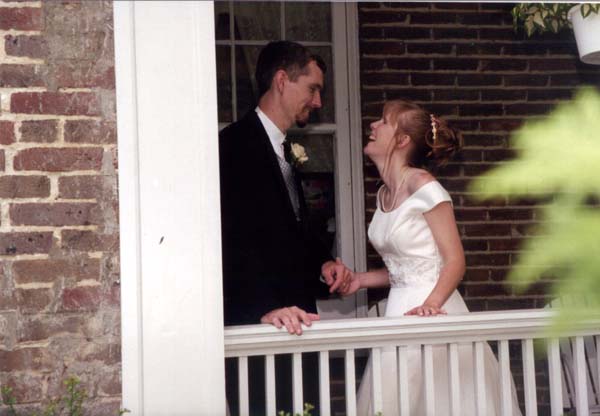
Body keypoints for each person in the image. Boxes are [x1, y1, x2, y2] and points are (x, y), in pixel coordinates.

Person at [340, 100, 522, 415]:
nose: (373, 126)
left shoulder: (423, 185)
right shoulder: (385, 193)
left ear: (401, 140)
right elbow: (407, 267)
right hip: (399, 312)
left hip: (432, 312)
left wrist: (431, 305)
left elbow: (454, 261)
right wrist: (360, 280)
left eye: (383, 121)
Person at [219, 40, 351, 415]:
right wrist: (262, 309)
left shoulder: (284, 150)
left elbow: (290, 232)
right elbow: (230, 241)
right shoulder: (232, 147)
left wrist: (323, 265)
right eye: (313, 88)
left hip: (297, 327)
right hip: (259, 330)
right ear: (282, 80)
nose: (318, 101)